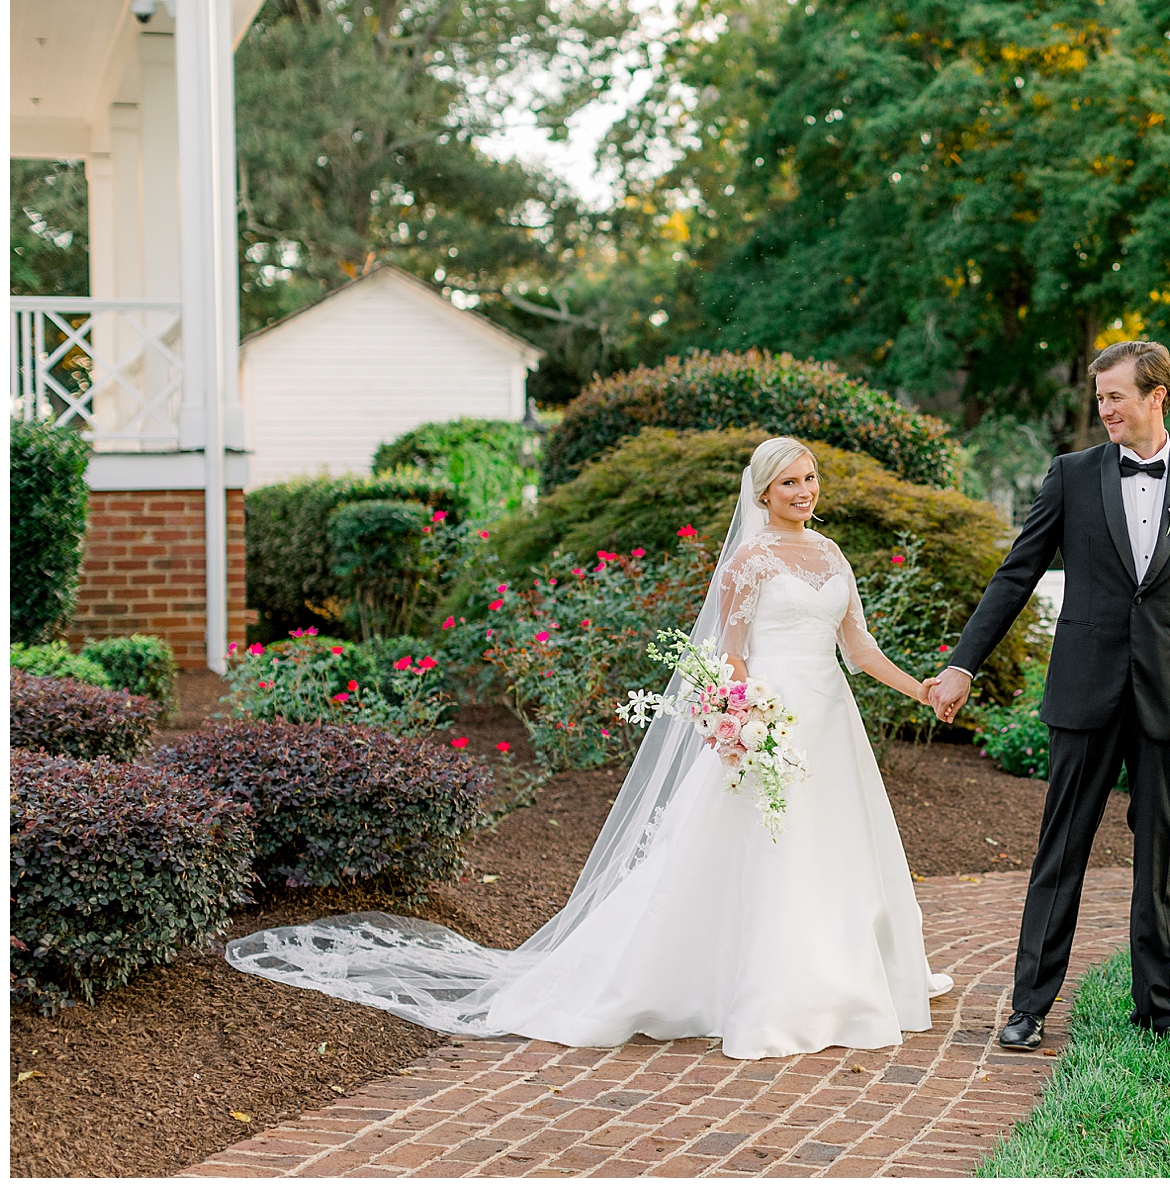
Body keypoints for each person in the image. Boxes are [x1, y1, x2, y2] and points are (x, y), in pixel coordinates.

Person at [227, 436, 955, 1060]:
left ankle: (845, 976)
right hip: (767, 723)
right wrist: (740, 723)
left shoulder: (830, 554)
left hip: (829, 720)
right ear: (763, 493)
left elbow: (858, 646)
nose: (804, 491)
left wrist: (919, 689)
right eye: (789, 482)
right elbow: (730, 658)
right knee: (770, 850)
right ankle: (772, 992)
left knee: (833, 845)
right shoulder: (748, 563)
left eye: (810, 478)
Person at [927, 340, 1170, 1053]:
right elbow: (1015, 574)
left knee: (1160, 859)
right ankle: (1029, 1006)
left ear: (1156, 396)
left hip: (1168, 699)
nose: (1103, 409)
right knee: (1061, 851)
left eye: (1115, 396)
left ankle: (1159, 1011)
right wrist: (962, 665)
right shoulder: (1071, 476)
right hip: (1083, 693)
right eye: (1099, 397)